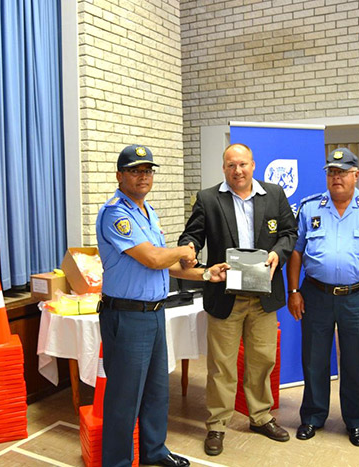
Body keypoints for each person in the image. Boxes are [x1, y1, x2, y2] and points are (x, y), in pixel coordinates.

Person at [96, 144, 230, 467]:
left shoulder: (148, 212)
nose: (143, 176)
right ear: (120, 176)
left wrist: (206, 274)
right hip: (127, 315)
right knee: (124, 398)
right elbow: (154, 258)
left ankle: (154, 451)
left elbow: (165, 265)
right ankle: (117, 462)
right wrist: (183, 250)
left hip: (155, 313)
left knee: (157, 390)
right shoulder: (116, 213)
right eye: (135, 171)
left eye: (147, 171)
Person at [177, 143, 297, 456]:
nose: (237, 171)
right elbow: (192, 235)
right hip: (224, 295)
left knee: (262, 359)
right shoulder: (208, 199)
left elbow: (289, 233)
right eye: (231, 165)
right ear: (224, 168)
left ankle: (260, 416)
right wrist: (189, 249)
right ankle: (217, 424)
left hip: (263, 296)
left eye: (242, 164)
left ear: (253, 165)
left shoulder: (274, 194)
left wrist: (278, 253)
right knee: (221, 366)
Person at [286, 147, 359, 447]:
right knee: (314, 359)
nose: (337, 177)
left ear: (356, 175)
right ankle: (312, 416)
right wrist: (293, 291)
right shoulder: (309, 207)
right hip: (315, 294)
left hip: (357, 297)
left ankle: (358, 422)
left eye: (343, 172)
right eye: (332, 172)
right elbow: (295, 253)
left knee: (357, 361)